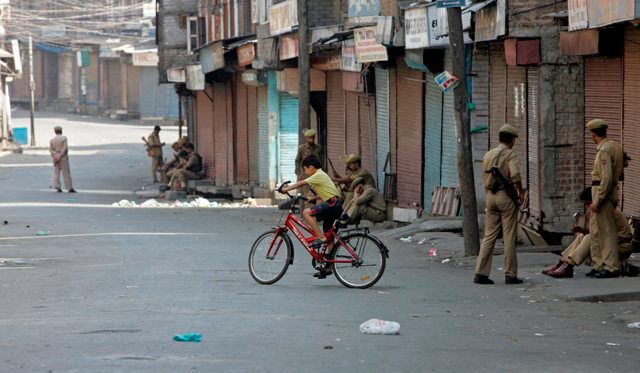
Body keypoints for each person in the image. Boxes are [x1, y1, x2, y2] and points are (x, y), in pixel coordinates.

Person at [542, 187, 634, 278]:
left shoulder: (607, 211)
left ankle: (569, 265)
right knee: (582, 236)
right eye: (585, 204)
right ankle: (563, 262)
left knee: (589, 238)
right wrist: (581, 230)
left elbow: (599, 234)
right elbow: (597, 232)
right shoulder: (598, 211)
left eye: (588, 203)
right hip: (608, 244)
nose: (587, 207)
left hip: (621, 246)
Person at [474, 124, 524, 285]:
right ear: (511, 140)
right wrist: (521, 192)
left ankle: (480, 273)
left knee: (489, 236)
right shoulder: (510, 154)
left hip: (490, 196)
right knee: (509, 236)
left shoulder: (488, 154)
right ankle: (510, 274)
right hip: (505, 196)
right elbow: (515, 174)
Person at [280, 154, 342, 278]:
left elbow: (301, 183)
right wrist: (313, 198)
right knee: (329, 237)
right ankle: (329, 266)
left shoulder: (318, 175)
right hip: (335, 203)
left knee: (306, 213)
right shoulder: (322, 175)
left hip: (332, 203)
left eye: (306, 169)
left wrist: (286, 189)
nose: (306, 172)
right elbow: (328, 191)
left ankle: (320, 237)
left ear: (311, 167)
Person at [586, 119, 624, 278]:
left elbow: (606, 178)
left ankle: (611, 266)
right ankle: (598, 262)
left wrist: (597, 200)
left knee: (606, 231)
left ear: (594, 135)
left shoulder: (604, 150)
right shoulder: (614, 146)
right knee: (595, 230)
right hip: (604, 190)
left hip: (603, 191)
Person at [49, 126, 76, 193]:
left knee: (56, 172)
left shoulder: (52, 140)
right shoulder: (64, 138)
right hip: (63, 157)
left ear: (55, 131)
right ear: (61, 131)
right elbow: (65, 148)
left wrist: (54, 155)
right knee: (66, 172)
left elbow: (50, 149)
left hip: (55, 157)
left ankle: (57, 187)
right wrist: (60, 155)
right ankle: (69, 187)